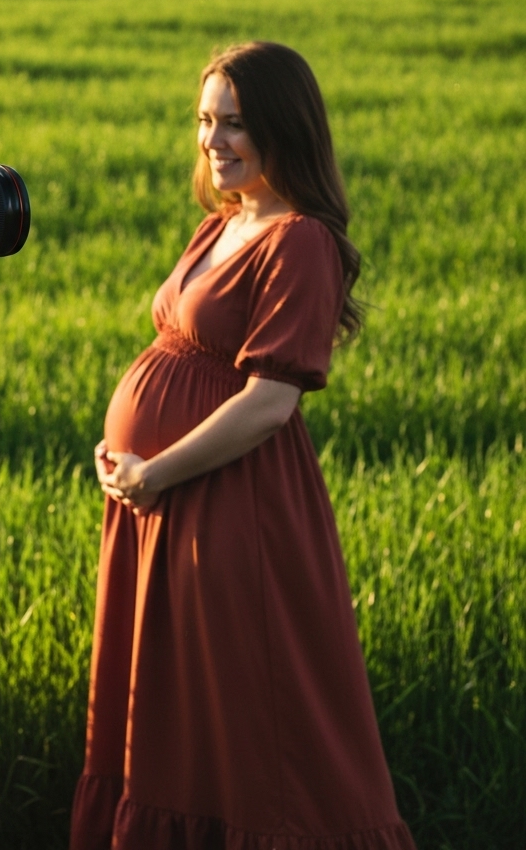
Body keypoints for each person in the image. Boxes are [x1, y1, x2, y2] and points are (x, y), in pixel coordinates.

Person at [70, 43, 416, 850]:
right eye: (204, 120)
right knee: (173, 716)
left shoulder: (299, 240)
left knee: (250, 728)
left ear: (282, 129)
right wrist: (121, 456)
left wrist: (154, 468)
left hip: (233, 513)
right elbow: (175, 363)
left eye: (234, 123)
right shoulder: (221, 225)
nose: (212, 140)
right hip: (163, 505)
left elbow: (269, 402)